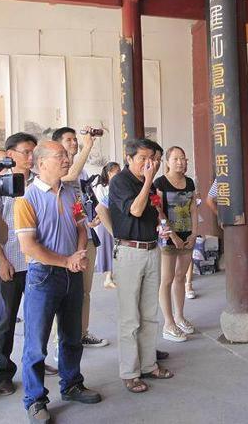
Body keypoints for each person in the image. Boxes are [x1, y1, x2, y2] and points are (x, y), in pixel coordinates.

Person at [15, 140, 102, 423]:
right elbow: (29, 247)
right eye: (60, 156)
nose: (67, 159)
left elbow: (81, 226)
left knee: (72, 335)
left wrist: (78, 254)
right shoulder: (26, 198)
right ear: (41, 163)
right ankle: (35, 400)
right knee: (36, 345)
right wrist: (66, 261)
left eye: (66, 155)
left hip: (71, 273)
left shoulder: (70, 192)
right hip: (44, 277)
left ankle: (72, 384)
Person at [0, 132, 56, 397]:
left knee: (37, 320)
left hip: (36, 264)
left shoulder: (39, 183)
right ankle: (4, 373)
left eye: (33, 152)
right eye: (26, 152)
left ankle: (37, 363)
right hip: (10, 263)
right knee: (6, 322)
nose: (31, 157)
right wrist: (1, 260)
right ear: (10, 155)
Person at [109, 138, 174, 394]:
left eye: (152, 159)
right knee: (129, 317)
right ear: (129, 159)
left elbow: (152, 213)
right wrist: (148, 181)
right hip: (129, 252)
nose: (149, 164)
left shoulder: (149, 184)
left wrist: (161, 226)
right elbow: (135, 210)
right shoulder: (121, 182)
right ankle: (130, 372)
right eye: (143, 159)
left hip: (151, 249)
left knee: (149, 313)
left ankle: (149, 365)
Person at [52, 127, 108, 348]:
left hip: (85, 236)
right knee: (62, 292)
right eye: (69, 140)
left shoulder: (83, 172)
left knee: (85, 291)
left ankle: (82, 333)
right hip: (65, 239)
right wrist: (88, 146)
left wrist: (90, 217)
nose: (74, 143)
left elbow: (80, 200)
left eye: (76, 139)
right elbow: (69, 177)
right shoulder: (58, 171)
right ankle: (60, 340)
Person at [153, 146, 198, 342]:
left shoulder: (189, 182)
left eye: (183, 158)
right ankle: (168, 323)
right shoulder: (160, 183)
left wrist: (194, 233)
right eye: (176, 159)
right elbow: (159, 211)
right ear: (168, 162)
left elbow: (193, 209)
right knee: (167, 279)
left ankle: (179, 317)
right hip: (167, 237)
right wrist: (172, 235)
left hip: (187, 235)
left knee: (181, 276)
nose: (180, 162)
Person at [91, 162, 121, 289]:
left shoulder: (119, 186)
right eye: (117, 171)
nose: (119, 174)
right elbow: (101, 206)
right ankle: (108, 277)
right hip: (105, 221)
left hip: (116, 220)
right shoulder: (101, 187)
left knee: (116, 248)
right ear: (109, 173)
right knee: (108, 248)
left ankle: (111, 275)